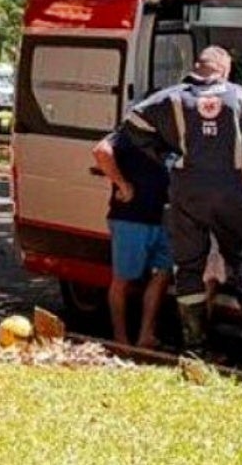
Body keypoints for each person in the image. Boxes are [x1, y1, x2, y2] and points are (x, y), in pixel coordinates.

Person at [121, 46, 242, 348]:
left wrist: (165, 155)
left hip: (187, 189)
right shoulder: (239, 96)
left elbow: (133, 123)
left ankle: (195, 342)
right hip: (227, 189)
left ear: (197, 67)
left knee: (189, 266)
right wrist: (241, 154)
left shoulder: (171, 97)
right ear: (224, 69)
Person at [92, 129, 172, 349]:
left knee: (163, 274)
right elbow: (101, 151)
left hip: (164, 216)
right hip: (131, 218)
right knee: (123, 280)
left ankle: (146, 335)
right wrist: (122, 184)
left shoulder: (174, 131)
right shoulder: (132, 129)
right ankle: (121, 339)